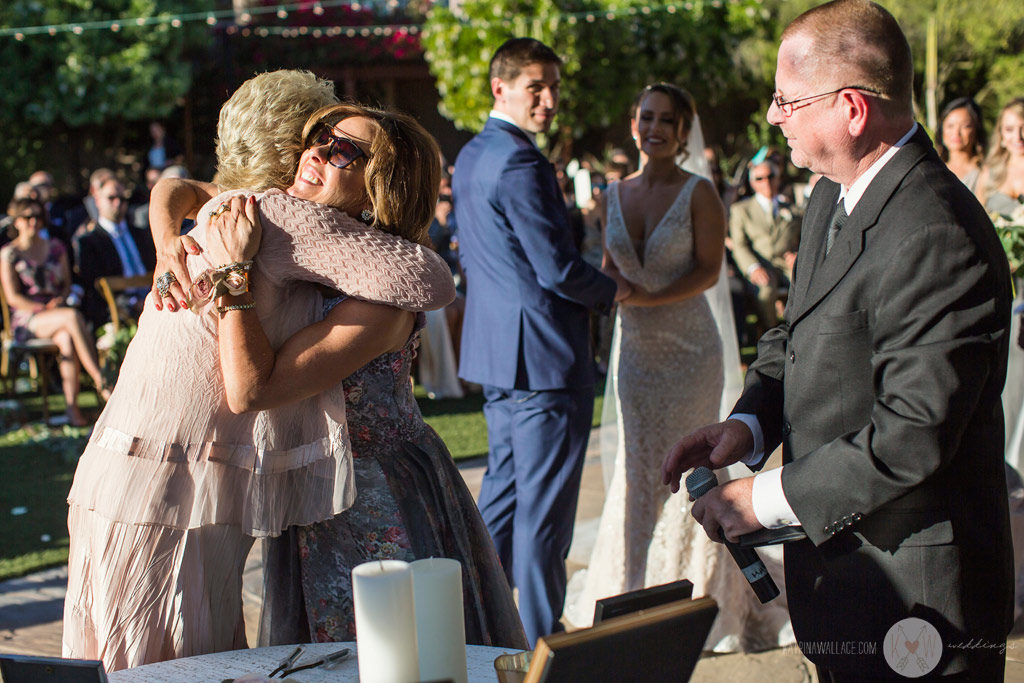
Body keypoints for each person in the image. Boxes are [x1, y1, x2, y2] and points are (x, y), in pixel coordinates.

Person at [663, 1, 1013, 678]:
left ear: (851, 109)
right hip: (843, 585)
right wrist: (747, 423)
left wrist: (758, 499)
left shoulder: (937, 231)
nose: (773, 117)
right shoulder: (830, 192)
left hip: (918, 598)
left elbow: (914, 432)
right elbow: (800, 331)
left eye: (787, 100)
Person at [62, 77, 457, 671]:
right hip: (175, 483)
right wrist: (183, 243)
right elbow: (433, 279)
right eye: (318, 137)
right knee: (172, 663)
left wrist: (180, 237)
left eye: (344, 150)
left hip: (147, 469)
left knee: (149, 657)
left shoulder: (264, 217)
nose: (320, 152)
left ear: (382, 184)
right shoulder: (278, 216)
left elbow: (182, 185)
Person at [563, 83, 792, 652]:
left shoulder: (700, 194)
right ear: (634, 123)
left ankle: (705, 596)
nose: (656, 127)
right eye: (647, 117)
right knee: (641, 469)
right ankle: (632, 587)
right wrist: (610, 289)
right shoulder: (612, 194)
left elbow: (710, 272)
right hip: (636, 355)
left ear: (684, 130)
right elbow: (612, 265)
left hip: (690, 351)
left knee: (693, 467)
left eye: (668, 120)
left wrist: (641, 300)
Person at [452, 37, 629, 645]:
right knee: (545, 515)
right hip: (546, 358)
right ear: (500, 88)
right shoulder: (521, 162)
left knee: (501, 499)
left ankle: (480, 631)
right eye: (536, 87)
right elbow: (556, 269)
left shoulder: (473, 154)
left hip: (497, 354)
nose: (549, 99)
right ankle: (536, 644)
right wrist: (614, 291)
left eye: (553, 86)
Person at [0, 197, 109, 426]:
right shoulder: (10, 254)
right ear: (17, 221)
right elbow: (13, 297)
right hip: (27, 317)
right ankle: (101, 381)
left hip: (57, 312)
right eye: (27, 217)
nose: (33, 221)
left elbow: (67, 284)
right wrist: (43, 308)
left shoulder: (56, 247)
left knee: (66, 338)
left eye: (38, 216)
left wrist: (59, 300)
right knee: (71, 317)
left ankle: (73, 411)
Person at [71, 177, 155, 329]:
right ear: (97, 200)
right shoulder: (88, 242)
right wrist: (130, 303)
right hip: (117, 312)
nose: (118, 203)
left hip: (153, 301)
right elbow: (95, 288)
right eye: (111, 198)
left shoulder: (142, 234)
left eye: (122, 199)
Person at [728, 159, 802, 329]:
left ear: (778, 178)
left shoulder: (793, 210)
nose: (766, 181)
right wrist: (753, 268)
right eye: (760, 178)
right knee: (765, 291)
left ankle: (800, 332)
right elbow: (739, 245)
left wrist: (800, 254)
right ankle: (772, 334)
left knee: (807, 283)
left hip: (787, 264)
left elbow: (806, 237)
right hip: (761, 265)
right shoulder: (741, 210)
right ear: (753, 183)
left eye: (770, 176)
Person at [978, 97, 1024, 217]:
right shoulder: (988, 172)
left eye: (1023, 128)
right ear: (1001, 134)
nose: (1018, 137)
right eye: (1009, 129)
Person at [935, 97, 985, 193]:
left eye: (965, 126)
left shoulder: (984, 172)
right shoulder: (932, 168)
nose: (956, 133)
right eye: (950, 126)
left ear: (976, 129)